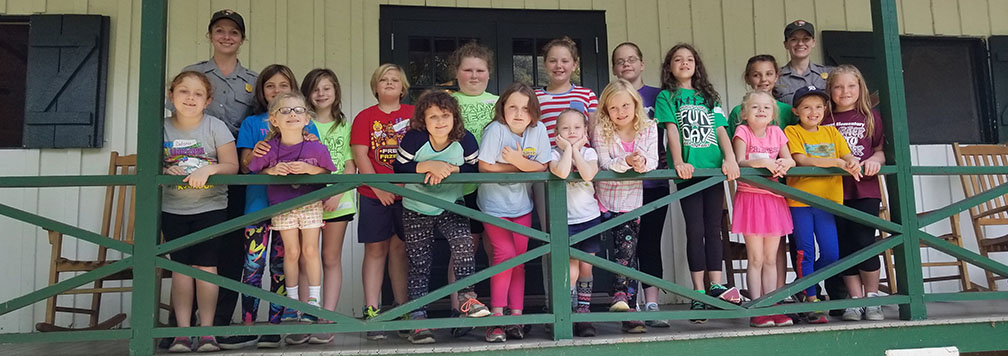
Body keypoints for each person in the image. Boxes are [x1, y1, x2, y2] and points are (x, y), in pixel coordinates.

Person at [177, 11, 258, 346]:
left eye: (234, 32)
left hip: (235, 171)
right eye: (220, 30)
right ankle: (182, 327)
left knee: (230, 248)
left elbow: (261, 124)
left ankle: (219, 323)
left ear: (242, 39)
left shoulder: (253, 81)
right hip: (194, 173)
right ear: (210, 35)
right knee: (188, 249)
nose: (227, 36)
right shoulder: (193, 75)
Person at [393, 90, 491, 344]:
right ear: (422, 120)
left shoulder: (465, 139)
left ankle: (467, 299)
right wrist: (427, 166)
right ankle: (418, 319)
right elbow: (399, 167)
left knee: (464, 246)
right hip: (416, 206)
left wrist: (450, 169)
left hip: (452, 204)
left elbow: (475, 168)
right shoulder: (414, 138)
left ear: (454, 117)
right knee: (420, 262)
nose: (440, 121)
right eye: (433, 116)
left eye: (445, 115)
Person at [233, 64, 320, 349]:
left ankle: (275, 325)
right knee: (253, 265)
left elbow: (317, 158)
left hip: (290, 205)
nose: (276, 90)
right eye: (270, 85)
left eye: (283, 85)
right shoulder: (252, 123)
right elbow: (244, 165)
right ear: (261, 90)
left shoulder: (305, 121)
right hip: (258, 204)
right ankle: (248, 323)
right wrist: (255, 153)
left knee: (281, 265)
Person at [655, 43, 741, 324]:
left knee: (713, 228)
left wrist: (730, 158)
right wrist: (679, 161)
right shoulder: (667, 96)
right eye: (678, 60)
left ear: (696, 65)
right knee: (695, 229)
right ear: (670, 67)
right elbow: (672, 131)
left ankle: (715, 286)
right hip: (689, 172)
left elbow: (720, 130)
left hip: (713, 169)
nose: (684, 63)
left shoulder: (708, 96)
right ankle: (698, 292)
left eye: (689, 59)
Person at [247, 92, 338, 335]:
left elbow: (328, 171)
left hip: (310, 203)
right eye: (285, 111)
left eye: (298, 110)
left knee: (310, 250)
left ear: (307, 118)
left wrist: (309, 168)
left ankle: (313, 301)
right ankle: (292, 301)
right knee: (292, 252)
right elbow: (254, 170)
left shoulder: (315, 147)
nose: (292, 115)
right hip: (282, 205)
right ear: (274, 120)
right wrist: (272, 170)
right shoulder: (268, 148)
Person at [162, 71, 239, 353]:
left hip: (210, 207)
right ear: (171, 95)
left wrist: (211, 169)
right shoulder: (161, 128)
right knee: (181, 269)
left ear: (207, 100)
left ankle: (207, 333)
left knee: (206, 267)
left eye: (198, 93)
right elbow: (149, 164)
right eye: (184, 91)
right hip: (173, 208)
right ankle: (182, 333)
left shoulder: (215, 127)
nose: (190, 98)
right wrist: (164, 169)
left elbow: (232, 166)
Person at [477, 83, 551, 342]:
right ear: (502, 109)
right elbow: (485, 166)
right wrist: (520, 167)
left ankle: (516, 318)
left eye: (525, 108)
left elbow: (543, 165)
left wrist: (519, 161)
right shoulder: (495, 130)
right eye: (513, 107)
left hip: (522, 206)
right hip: (494, 205)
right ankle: (497, 319)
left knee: (519, 259)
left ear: (534, 112)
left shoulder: (538, 130)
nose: (519, 113)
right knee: (504, 255)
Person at [784, 85, 862, 324]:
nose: (813, 112)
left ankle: (802, 285)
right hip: (801, 201)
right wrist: (836, 162)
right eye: (807, 107)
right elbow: (802, 160)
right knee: (805, 251)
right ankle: (812, 300)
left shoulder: (832, 133)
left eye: (819, 106)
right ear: (796, 111)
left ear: (825, 109)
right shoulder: (792, 131)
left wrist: (851, 161)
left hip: (828, 201)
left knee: (831, 253)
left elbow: (847, 155)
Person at [349, 63, 412, 341]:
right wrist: (379, 188)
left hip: (408, 194)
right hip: (372, 194)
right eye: (384, 79)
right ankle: (372, 310)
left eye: (395, 80)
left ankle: (403, 308)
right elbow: (361, 155)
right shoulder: (365, 117)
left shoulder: (413, 114)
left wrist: (406, 187)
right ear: (375, 86)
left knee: (400, 250)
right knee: (375, 250)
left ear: (403, 87)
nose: (389, 83)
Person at [592, 79, 659, 334]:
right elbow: (604, 162)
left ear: (635, 104)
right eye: (613, 107)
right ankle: (578, 310)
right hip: (602, 200)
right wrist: (627, 161)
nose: (620, 112)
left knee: (627, 254)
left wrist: (641, 163)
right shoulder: (602, 129)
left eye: (625, 105)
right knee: (586, 253)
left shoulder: (648, 128)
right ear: (606, 110)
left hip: (630, 201)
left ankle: (627, 307)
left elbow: (653, 160)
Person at [611, 41, 670, 327]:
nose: (627, 64)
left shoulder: (659, 96)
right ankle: (629, 304)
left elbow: (674, 133)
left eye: (632, 59)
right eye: (620, 61)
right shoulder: (612, 97)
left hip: (653, 183)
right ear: (614, 68)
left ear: (642, 63)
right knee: (626, 248)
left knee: (650, 243)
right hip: (622, 187)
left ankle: (652, 303)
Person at [727, 54, 797, 298]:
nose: (761, 111)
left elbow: (790, 158)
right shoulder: (742, 131)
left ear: (773, 113)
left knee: (771, 258)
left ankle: (772, 302)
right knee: (755, 258)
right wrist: (764, 162)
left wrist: (785, 162)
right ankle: (756, 304)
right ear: (744, 113)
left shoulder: (777, 132)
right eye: (755, 107)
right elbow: (740, 161)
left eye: (766, 108)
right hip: (751, 199)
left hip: (775, 198)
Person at [822, 65, 887, 322]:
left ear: (860, 88)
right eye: (838, 87)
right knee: (844, 245)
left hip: (864, 189)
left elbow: (879, 150)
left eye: (851, 86)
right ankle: (855, 299)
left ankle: (872, 298)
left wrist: (875, 161)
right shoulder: (824, 118)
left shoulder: (870, 116)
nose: (845, 91)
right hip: (834, 190)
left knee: (864, 241)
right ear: (830, 90)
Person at [301, 68, 356, 343]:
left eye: (327, 88)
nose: (321, 94)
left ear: (335, 92)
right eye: (315, 89)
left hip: (338, 201)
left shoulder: (345, 126)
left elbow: (350, 165)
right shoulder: (301, 123)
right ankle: (305, 316)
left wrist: (336, 192)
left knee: (330, 258)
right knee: (304, 258)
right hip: (305, 202)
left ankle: (328, 317)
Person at [448, 42, 497, 335]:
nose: (474, 76)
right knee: (463, 248)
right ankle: (460, 310)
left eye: (480, 70)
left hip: (494, 187)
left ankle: (497, 310)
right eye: (468, 70)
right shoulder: (447, 101)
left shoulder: (500, 102)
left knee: (495, 247)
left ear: (489, 73)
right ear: (457, 73)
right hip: (458, 187)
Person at [548, 109, 600, 337]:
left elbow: (588, 174)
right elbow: (561, 172)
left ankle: (583, 313)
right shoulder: (553, 153)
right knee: (570, 268)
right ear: (556, 132)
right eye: (565, 128)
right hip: (565, 220)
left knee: (586, 266)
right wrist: (568, 149)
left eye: (577, 128)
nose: (571, 132)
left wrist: (577, 150)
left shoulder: (589, 153)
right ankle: (567, 312)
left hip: (589, 218)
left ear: (585, 131)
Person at [776, 20, 834, 106]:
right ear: (786, 44)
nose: (800, 43)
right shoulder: (776, 78)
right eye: (794, 39)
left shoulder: (830, 74)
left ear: (813, 42)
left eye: (806, 39)